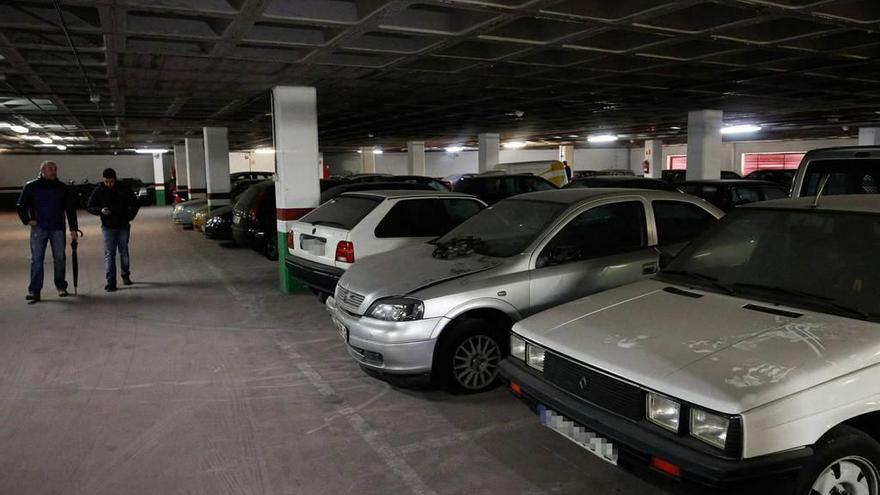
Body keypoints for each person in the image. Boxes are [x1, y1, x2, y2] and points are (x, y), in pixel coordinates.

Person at [16, 160, 80, 303]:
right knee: (37, 260)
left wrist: (74, 229)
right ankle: (34, 290)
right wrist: (27, 220)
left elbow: (70, 209)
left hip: (58, 227)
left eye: (55, 169)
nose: (54, 171)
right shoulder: (31, 186)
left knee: (60, 258)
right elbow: (21, 205)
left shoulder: (62, 188)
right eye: (51, 169)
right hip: (39, 228)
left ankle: (61, 286)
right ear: (42, 171)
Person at [87, 168, 139, 292]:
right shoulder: (99, 190)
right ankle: (111, 282)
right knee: (109, 254)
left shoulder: (124, 188)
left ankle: (125, 275)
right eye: (106, 182)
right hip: (107, 227)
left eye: (111, 181)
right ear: (103, 180)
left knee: (124, 252)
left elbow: (135, 203)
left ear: (115, 179)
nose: (109, 184)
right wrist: (100, 211)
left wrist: (130, 216)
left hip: (123, 225)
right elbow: (89, 206)